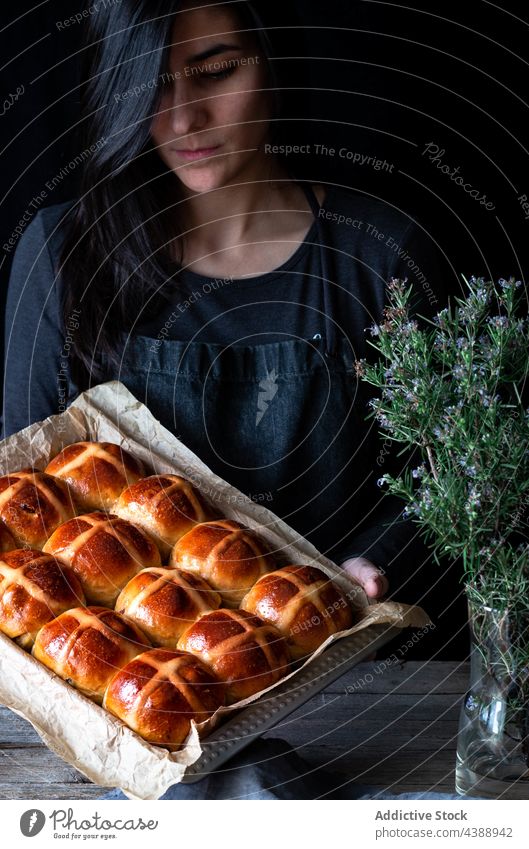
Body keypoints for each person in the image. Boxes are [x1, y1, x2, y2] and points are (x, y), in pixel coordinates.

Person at [1, 0, 451, 606]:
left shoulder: (381, 255)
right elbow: (26, 492)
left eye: (216, 73)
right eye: (151, 86)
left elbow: (442, 476)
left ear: (271, 65)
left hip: (339, 644)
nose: (186, 120)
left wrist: (372, 562)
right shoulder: (64, 253)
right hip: (116, 667)